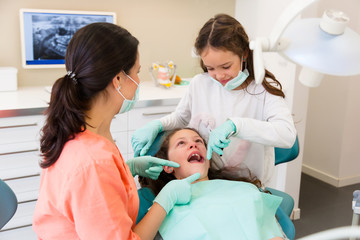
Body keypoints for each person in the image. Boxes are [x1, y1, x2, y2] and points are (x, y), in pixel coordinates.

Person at [32, 22, 200, 240]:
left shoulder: (79, 127)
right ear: (118, 80)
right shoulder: (92, 162)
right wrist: (164, 201)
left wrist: (127, 170)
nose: (139, 81)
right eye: (137, 72)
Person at [131, 13, 297, 186]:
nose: (218, 75)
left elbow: (287, 134)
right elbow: (181, 117)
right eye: (210, 68)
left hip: (250, 184)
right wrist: (157, 125)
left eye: (226, 66)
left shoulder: (262, 89)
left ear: (244, 54)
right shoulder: (200, 84)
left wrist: (236, 126)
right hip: (208, 180)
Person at [139, 128, 286, 240]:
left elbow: (272, 232)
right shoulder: (166, 202)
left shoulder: (245, 189)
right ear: (168, 166)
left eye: (198, 141)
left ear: (208, 160)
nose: (193, 145)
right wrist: (166, 199)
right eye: (181, 143)